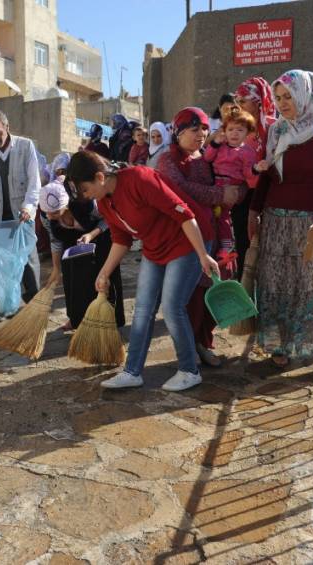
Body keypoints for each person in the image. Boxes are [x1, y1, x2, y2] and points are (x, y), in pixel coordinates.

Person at [65, 151, 218, 392]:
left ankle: (189, 370)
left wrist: (202, 254)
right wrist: (104, 272)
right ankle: (132, 371)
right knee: (143, 308)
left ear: (100, 177)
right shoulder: (105, 203)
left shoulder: (139, 178)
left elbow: (184, 213)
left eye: (85, 189)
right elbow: (121, 239)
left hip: (187, 242)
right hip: (155, 247)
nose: (85, 196)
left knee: (172, 307)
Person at [249, 69, 313, 382]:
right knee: (279, 283)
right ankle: (281, 344)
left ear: (305, 95)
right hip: (277, 222)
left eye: (288, 96)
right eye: (278, 97)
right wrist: (254, 211)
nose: (282, 103)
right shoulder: (278, 131)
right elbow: (268, 175)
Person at [158, 107, 244, 368]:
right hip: (187, 237)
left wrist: (235, 191)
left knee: (213, 286)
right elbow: (180, 190)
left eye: (205, 128)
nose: (202, 134)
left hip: (216, 232)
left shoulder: (207, 157)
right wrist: (220, 195)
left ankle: (204, 342)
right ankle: (189, 347)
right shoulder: (167, 160)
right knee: (191, 295)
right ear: (179, 132)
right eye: (195, 129)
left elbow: (232, 179)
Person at [40, 153, 124, 331]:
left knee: (102, 282)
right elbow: (55, 241)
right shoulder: (47, 216)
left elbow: (108, 220)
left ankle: (109, 322)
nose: (50, 217)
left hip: (101, 242)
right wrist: (56, 268)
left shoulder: (85, 202)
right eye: (47, 213)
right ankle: (76, 319)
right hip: (74, 251)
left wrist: (91, 235)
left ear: (66, 205)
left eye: (55, 213)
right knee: (75, 287)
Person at [0, 109, 42, 322]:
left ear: (7, 128)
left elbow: (34, 180)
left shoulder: (25, 146)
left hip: (22, 215)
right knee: (2, 266)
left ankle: (33, 307)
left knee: (28, 261)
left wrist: (29, 207)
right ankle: (7, 308)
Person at [233, 77, 278, 278]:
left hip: (270, 196)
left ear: (258, 101)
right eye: (237, 101)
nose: (238, 106)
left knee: (269, 247)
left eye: (243, 100)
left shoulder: (275, 128)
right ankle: (246, 297)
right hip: (244, 197)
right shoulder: (238, 128)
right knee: (244, 245)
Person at [203, 107, 260, 269]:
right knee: (213, 218)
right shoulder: (219, 146)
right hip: (215, 187)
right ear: (224, 131)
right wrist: (214, 143)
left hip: (231, 189)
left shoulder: (247, 151)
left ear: (247, 132)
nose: (234, 133)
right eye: (231, 129)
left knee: (224, 218)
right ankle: (218, 248)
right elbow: (207, 157)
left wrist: (256, 168)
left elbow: (248, 174)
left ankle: (227, 246)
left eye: (240, 130)